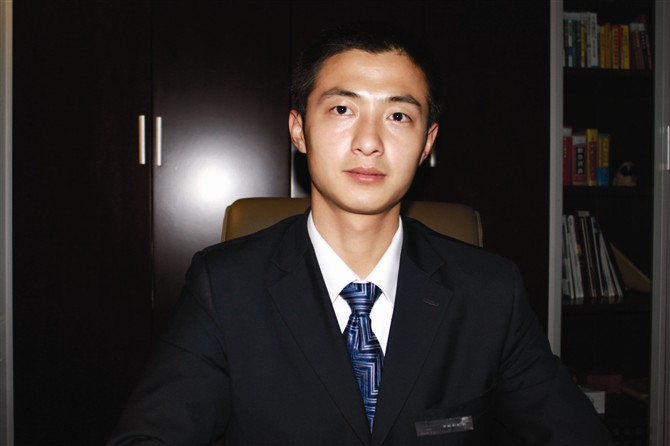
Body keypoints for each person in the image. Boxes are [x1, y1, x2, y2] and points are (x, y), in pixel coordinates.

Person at [108, 22, 613, 445]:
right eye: (342, 109)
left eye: (398, 115)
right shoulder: (225, 286)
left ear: (427, 143)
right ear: (298, 130)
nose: (369, 142)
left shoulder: (490, 292)